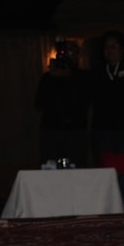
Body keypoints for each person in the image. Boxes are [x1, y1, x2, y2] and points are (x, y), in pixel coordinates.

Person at [90, 30, 124, 163]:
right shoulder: (97, 71)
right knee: (106, 165)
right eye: (106, 47)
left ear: (122, 49)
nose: (109, 50)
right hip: (103, 129)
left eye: (113, 46)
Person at [35, 36, 91, 166]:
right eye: (66, 52)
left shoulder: (84, 77)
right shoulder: (48, 78)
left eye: (72, 52)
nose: (69, 56)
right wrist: (54, 79)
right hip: (51, 132)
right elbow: (39, 103)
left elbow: (85, 101)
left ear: (78, 56)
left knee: (77, 168)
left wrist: (69, 78)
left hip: (76, 132)